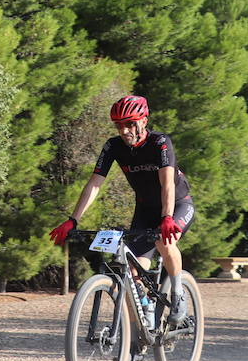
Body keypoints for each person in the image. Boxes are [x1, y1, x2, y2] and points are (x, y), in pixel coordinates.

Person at [49, 94, 195, 328]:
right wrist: (72, 220)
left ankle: (178, 295)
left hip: (177, 205)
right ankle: (143, 322)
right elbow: (95, 183)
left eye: (130, 123)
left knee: (165, 243)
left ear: (144, 121)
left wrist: (167, 217)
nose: (124, 130)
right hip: (145, 210)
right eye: (119, 125)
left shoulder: (160, 143)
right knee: (132, 274)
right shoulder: (113, 146)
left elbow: (167, 184)